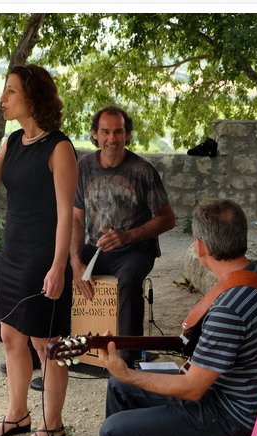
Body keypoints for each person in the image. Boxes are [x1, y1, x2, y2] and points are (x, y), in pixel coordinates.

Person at [80, 199, 257, 436]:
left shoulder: (228, 309)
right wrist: (124, 376)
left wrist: (128, 371)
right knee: (117, 387)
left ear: (200, 247)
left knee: (114, 430)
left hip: (237, 413)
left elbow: (193, 388)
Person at [0, 64, 78, 436]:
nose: (2, 100)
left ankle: (53, 425)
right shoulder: (13, 141)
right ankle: (18, 414)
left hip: (43, 258)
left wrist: (59, 266)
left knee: (48, 343)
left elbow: (66, 213)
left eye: (10, 92)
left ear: (32, 98)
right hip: (12, 255)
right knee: (11, 336)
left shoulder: (59, 147)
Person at [70, 105, 175, 367]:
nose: (112, 139)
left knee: (129, 280)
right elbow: (75, 218)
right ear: (94, 134)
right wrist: (74, 260)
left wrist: (127, 237)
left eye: (118, 132)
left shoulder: (143, 171)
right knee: (56, 266)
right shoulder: (83, 167)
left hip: (136, 250)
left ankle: (128, 360)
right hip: (96, 249)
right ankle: (63, 348)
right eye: (105, 132)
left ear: (128, 135)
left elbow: (167, 219)